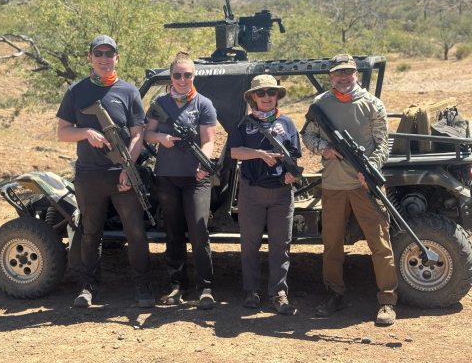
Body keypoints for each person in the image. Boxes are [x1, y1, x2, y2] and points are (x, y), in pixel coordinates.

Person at [57, 34, 154, 308]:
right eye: (98, 54)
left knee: (135, 231)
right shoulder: (76, 92)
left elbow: (138, 134)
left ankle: (143, 285)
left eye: (108, 54)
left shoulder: (129, 91)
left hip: (122, 175)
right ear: (90, 58)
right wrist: (86, 132)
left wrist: (128, 167)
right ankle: (88, 287)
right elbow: (62, 132)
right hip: (89, 175)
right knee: (91, 232)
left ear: (116, 58)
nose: (103, 59)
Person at [301, 53, 398, 326]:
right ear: (330, 76)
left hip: (364, 185)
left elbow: (383, 143)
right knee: (332, 245)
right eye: (338, 73)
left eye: (349, 73)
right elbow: (307, 135)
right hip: (332, 185)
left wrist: (370, 171)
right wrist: (325, 149)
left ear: (356, 74)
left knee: (380, 244)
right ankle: (335, 294)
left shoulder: (372, 104)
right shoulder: (320, 104)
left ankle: (388, 301)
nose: (343, 78)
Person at [144, 51, 217, 309]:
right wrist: (161, 139)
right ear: (171, 76)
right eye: (178, 75)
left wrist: (203, 163)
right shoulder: (160, 103)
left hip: (196, 179)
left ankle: (205, 288)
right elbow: (146, 134)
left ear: (193, 75)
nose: (183, 79)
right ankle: (177, 285)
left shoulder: (203, 104)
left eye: (187, 75)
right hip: (167, 177)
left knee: (198, 231)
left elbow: (209, 141)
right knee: (173, 232)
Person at [227, 74, 301, 315]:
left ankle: (279, 293)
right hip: (251, 193)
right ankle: (251, 291)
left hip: (281, 193)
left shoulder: (288, 124)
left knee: (281, 245)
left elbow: (295, 156)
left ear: (277, 96)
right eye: (261, 93)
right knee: (250, 244)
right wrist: (259, 153)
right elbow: (234, 152)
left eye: (271, 92)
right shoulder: (243, 124)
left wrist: (292, 175)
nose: (267, 97)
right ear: (253, 98)